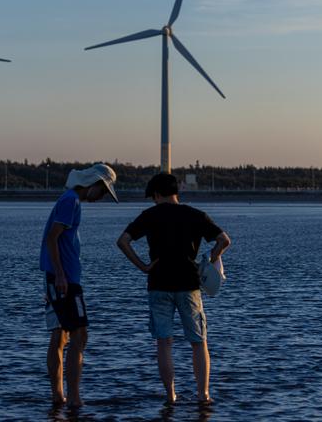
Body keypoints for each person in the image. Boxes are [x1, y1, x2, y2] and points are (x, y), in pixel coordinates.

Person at [116, 173, 231, 404]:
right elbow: (224, 240)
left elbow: (123, 241)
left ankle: (171, 396)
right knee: (199, 341)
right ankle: (203, 395)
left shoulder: (149, 216)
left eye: (153, 197)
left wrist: (143, 267)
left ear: (157, 194)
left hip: (158, 284)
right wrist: (212, 257)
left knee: (164, 343)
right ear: (176, 192)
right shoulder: (195, 215)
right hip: (189, 285)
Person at [40, 163, 118, 407]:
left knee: (60, 335)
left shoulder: (68, 200)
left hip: (57, 278)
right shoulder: (71, 201)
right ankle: (73, 398)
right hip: (64, 280)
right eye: (103, 192)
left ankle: (59, 397)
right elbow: (53, 237)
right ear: (93, 184)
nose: (102, 197)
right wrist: (61, 275)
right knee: (80, 334)